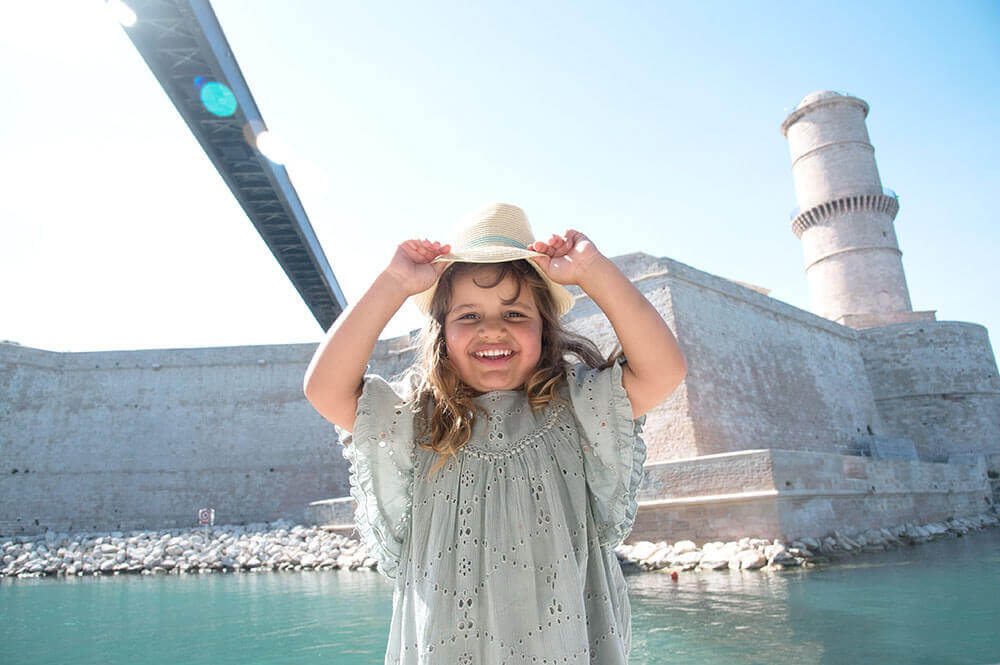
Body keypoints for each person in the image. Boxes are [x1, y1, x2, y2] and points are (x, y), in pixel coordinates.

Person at [303, 202, 687, 664]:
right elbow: (325, 389)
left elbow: (664, 369)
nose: (491, 330)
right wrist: (393, 285)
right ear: (441, 334)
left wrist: (592, 271)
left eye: (515, 314)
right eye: (468, 316)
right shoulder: (418, 418)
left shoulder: (578, 406)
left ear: (546, 329)